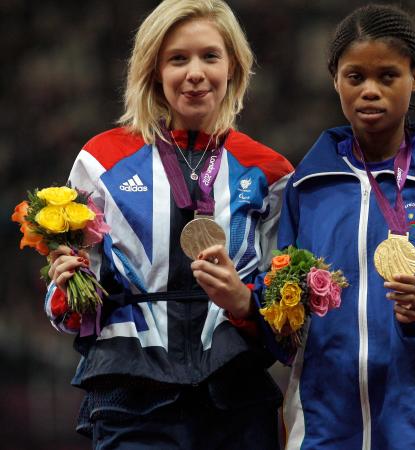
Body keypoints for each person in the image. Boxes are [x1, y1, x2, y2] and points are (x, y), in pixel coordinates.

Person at [43, 0, 293, 448]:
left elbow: (285, 316)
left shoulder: (269, 171)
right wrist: (67, 289)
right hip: (132, 395)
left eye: (209, 56)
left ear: (233, 65)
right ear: (154, 69)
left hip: (235, 394)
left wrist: (243, 302)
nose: (194, 72)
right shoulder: (102, 159)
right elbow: (74, 304)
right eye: (178, 58)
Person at [263, 4, 415, 449]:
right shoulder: (307, 185)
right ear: (335, 79)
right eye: (356, 77)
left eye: (387, 76)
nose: (370, 91)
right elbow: (281, 303)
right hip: (322, 421)